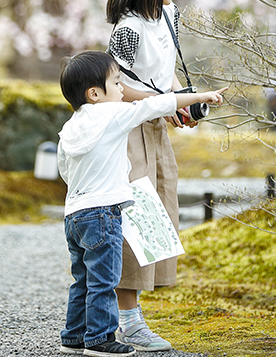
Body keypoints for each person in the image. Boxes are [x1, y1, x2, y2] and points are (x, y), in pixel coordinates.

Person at [57, 50, 226, 356]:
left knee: (82, 277)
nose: (123, 90)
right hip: (103, 213)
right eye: (117, 82)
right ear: (95, 93)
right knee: (104, 279)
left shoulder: (69, 127)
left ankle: (73, 336)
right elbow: (155, 105)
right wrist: (202, 96)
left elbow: (64, 169)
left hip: (74, 214)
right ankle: (99, 339)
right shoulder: (114, 115)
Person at [105, 0, 192, 352]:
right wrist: (167, 102)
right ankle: (128, 320)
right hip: (128, 131)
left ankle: (127, 317)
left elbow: (166, 73)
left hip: (156, 127)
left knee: (161, 214)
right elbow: (114, 88)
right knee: (134, 221)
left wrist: (179, 102)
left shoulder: (170, 15)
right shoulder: (127, 29)